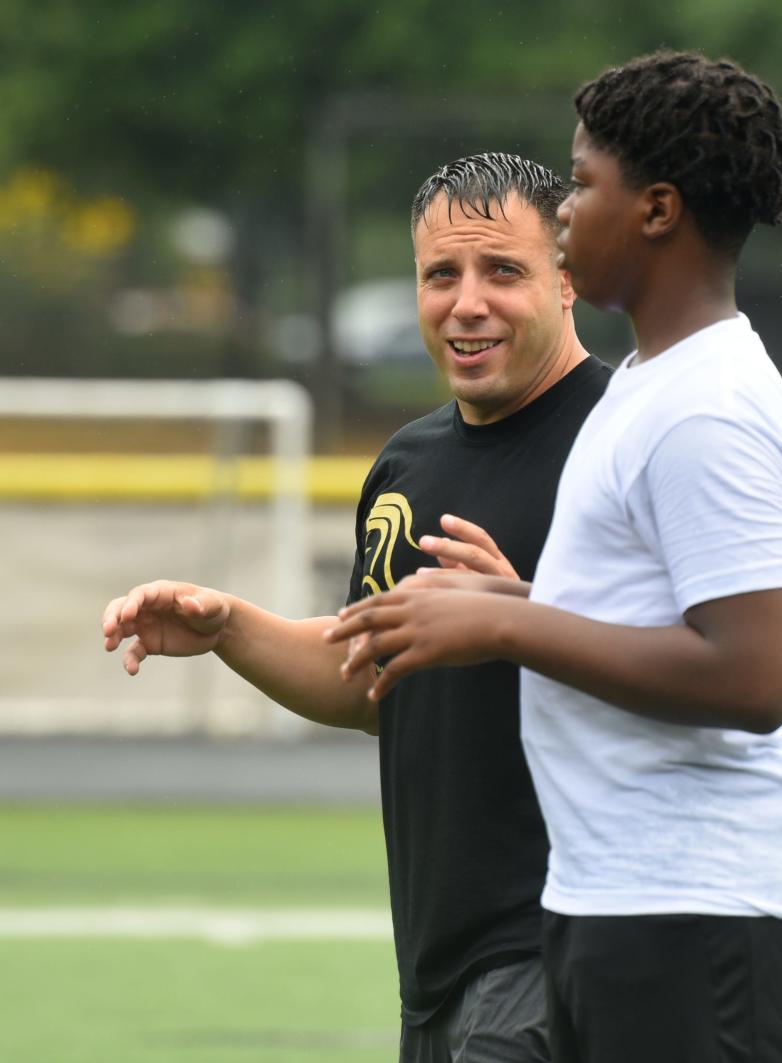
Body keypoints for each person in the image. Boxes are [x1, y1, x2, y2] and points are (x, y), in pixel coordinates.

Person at [329, 53, 782, 1062]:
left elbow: (755, 674)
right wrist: (520, 600)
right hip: (624, 895)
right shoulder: (656, 381)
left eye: (584, 183)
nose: (565, 211)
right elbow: (653, 618)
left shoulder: (708, 405)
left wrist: (507, 620)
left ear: (656, 210)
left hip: (704, 904)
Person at [102, 152, 612, 1062]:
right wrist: (231, 628)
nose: (467, 302)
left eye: (503, 270)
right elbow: (369, 679)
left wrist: (527, 615)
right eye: (440, 274)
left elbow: (715, 667)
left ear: (567, 277)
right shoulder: (407, 464)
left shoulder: (627, 441)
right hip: (435, 963)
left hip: (567, 943)